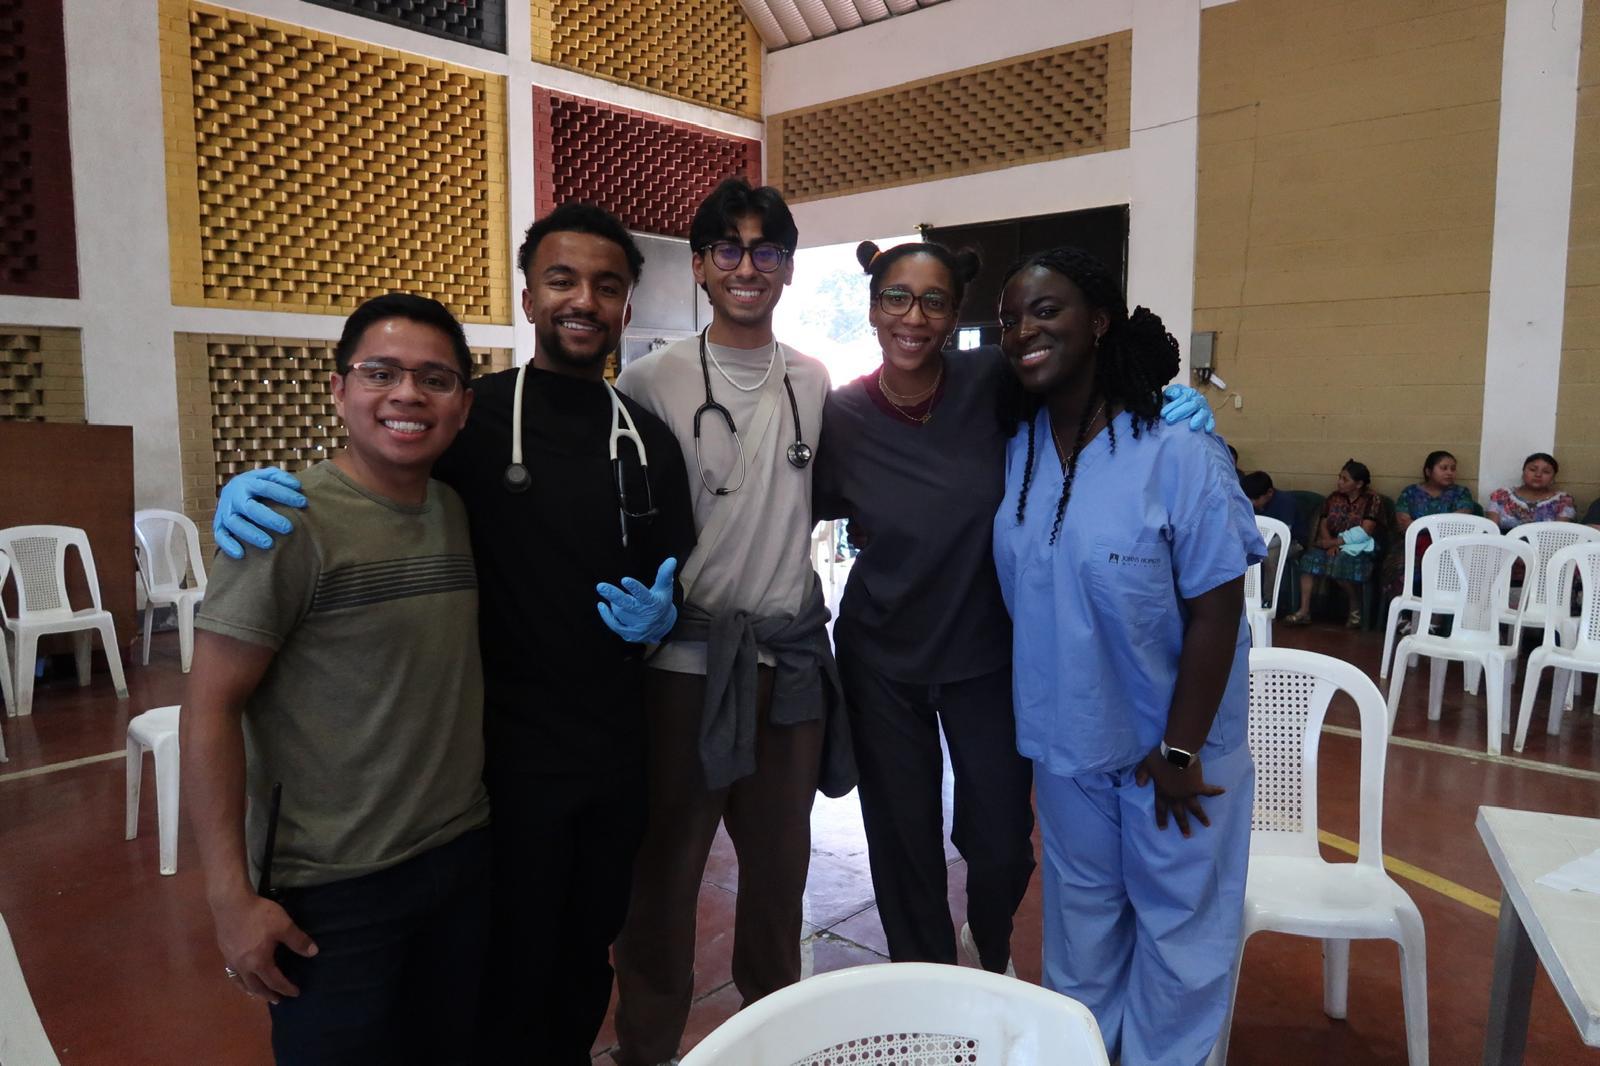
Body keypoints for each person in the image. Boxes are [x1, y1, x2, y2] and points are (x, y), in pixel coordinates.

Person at [209, 204, 698, 1065]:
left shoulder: (648, 439)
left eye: (606, 285)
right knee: (500, 981)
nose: (582, 300)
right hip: (492, 773)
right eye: (561, 279)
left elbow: (671, 571)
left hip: (610, 758)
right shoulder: (471, 425)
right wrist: (253, 483)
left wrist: (669, 615)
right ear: (529, 295)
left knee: (584, 960)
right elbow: (373, 470)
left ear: (625, 306)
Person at [812, 238, 1216, 975]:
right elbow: (803, 508)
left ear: (955, 313)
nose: (914, 316)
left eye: (934, 300)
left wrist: (1163, 405)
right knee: (902, 840)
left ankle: (988, 944)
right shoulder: (839, 416)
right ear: (872, 310)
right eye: (896, 298)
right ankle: (927, 986)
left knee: (999, 843)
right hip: (882, 661)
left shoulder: (991, 381)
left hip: (987, 655)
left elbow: (1083, 386)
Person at [185, 293, 492, 1064]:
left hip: (459, 859)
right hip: (334, 890)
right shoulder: (282, 524)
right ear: (338, 388)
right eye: (380, 372)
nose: (407, 396)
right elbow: (210, 708)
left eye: (435, 378)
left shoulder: (456, 509)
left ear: (462, 403)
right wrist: (229, 898)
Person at [990, 246, 1262, 1066]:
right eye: (1009, 318)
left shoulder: (1179, 451)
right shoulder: (1021, 444)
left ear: (1099, 321)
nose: (1024, 331)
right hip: (1070, 745)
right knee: (1081, 936)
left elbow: (1217, 610)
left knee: (1180, 943)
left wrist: (1179, 749)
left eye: (1046, 310)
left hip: (1171, 754)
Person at [609, 177, 855, 1066]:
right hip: (685, 669)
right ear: (703, 268)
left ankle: (772, 1043)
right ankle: (647, 1050)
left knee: (780, 878)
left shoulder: (815, 382)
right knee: (663, 879)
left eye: (767, 250)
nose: (748, 266)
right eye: (728, 249)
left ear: (788, 268)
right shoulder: (652, 380)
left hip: (788, 672)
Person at [1284, 459, 1382, 628]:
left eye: (1345, 479)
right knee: (1309, 560)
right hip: (1331, 542)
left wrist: (1337, 543)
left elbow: (1365, 530)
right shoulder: (1334, 497)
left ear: (1358, 484)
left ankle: (1355, 607)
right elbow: (1323, 522)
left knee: (1340, 563)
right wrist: (1330, 543)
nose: (1339, 482)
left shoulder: (1372, 500)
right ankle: (1304, 611)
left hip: (1358, 545)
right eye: (1339, 477)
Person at [1382, 450, 1478, 599]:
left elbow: (1459, 523)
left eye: (1453, 468)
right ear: (1428, 471)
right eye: (1443, 468)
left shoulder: (1461, 493)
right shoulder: (1410, 493)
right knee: (1401, 566)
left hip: (1448, 546)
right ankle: (1404, 616)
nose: (1449, 472)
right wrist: (1435, 527)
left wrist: (1422, 526)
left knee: (1446, 566)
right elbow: (1405, 524)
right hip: (1412, 544)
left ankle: (1435, 619)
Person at [1238, 469, 1300, 611]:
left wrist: (1257, 547)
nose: (1252, 503)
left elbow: (1283, 536)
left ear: (1269, 493)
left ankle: (1268, 601)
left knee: (1269, 559)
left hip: (1291, 543)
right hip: (1260, 543)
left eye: (1255, 499)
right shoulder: (1247, 502)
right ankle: (1244, 600)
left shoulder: (1285, 502)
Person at [1486, 452, 1576, 530]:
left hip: (1545, 548)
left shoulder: (1563, 501)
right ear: (1523, 472)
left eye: (1546, 472)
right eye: (1532, 470)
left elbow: (1559, 535)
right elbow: (1492, 531)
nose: (1538, 474)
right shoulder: (1501, 496)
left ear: (1553, 478)